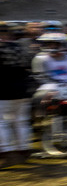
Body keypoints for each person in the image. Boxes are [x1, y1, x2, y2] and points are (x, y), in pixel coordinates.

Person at [0, 21, 35, 167]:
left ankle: (5, 153)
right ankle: (23, 150)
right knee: (21, 121)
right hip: (23, 89)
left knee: (2, 122)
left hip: (4, 90)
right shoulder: (20, 48)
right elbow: (28, 66)